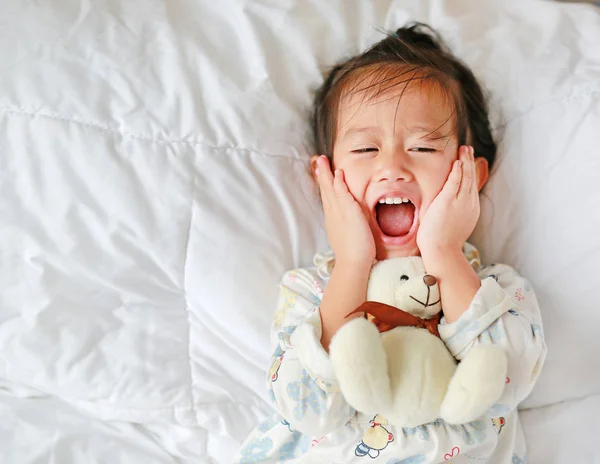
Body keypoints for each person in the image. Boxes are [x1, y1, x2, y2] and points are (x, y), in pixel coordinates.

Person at [237, 22, 546, 464]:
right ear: (326, 183)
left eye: (423, 148)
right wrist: (351, 264)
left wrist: (443, 253)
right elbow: (308, 409)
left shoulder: (498, 292)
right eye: (365, 151)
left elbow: (506, 384)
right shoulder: (310, 292)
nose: (393, 168)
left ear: (470, 176)